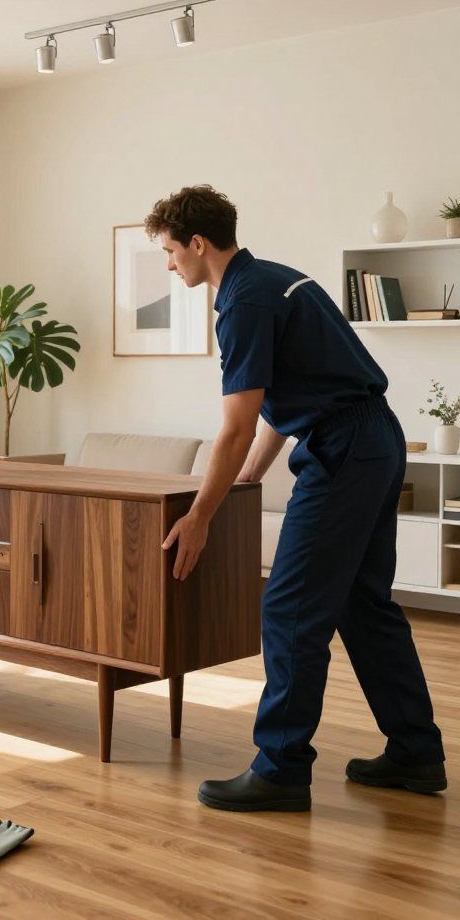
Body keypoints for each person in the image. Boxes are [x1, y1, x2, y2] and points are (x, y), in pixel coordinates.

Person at [148, 185, 446, 811]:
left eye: (172, 251)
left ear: (198, 244)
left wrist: (201, 514)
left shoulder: (244, 302)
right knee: (365, 606)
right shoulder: (278, 280)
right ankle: (416, 753)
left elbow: (236, 424)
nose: (170, 264)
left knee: (287, 610)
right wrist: (251, 480)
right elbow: (281, 408)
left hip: (345, 450)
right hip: (373, 438)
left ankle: (281, 769)